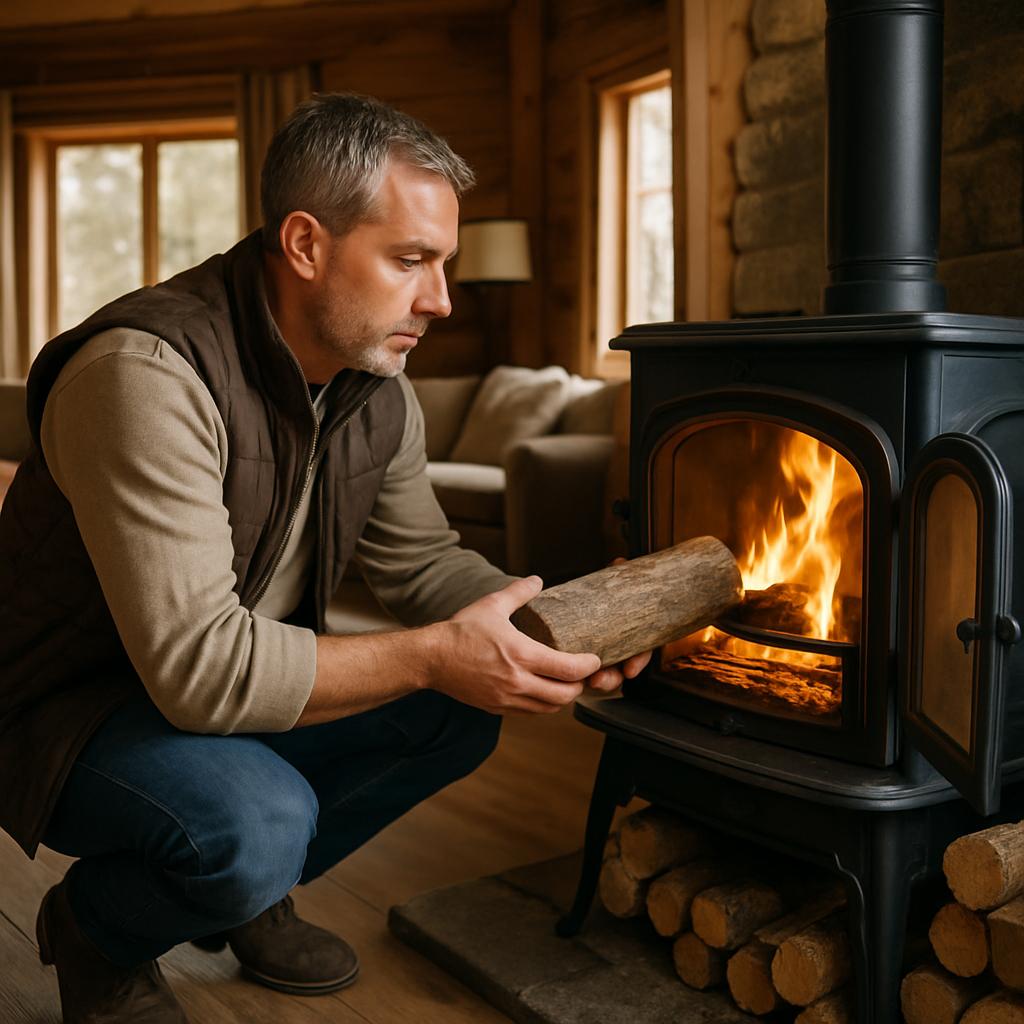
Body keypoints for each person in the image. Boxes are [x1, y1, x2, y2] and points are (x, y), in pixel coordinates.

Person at [0, 93, 648, 1023]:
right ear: (305, 244)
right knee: (258, 824)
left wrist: (568, 625)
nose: (440, 299)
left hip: (215, 685)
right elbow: (202, 672)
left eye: (445, 264)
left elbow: (422, 565)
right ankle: (99, 930)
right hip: (69, 711)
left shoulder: (376, 387)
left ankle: (245, 895)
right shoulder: (144, 374)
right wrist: (434, 654)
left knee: (458, 712)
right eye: (409, 260)